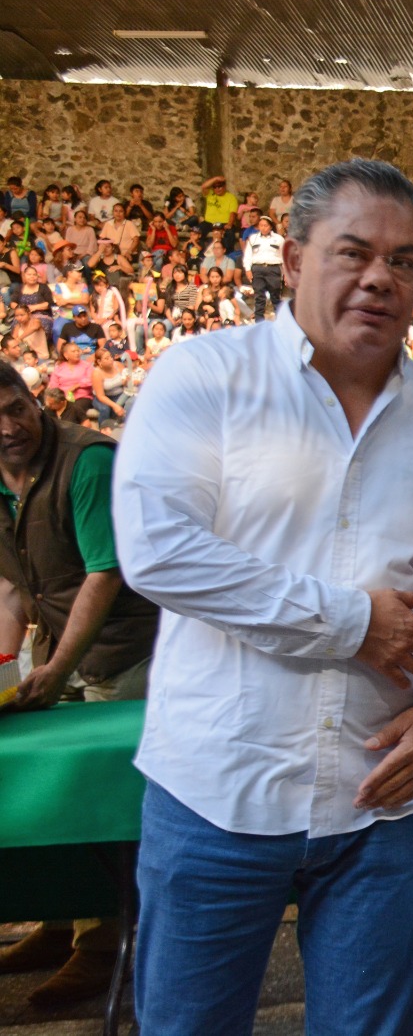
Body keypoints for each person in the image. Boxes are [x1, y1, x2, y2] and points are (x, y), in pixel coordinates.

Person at [112, 159, 413, 1034]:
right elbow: (159, 552)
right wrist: (352, 623)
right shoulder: (205, 378)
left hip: (380, 803)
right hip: (219, 790)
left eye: (404, 261)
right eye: (353, 252)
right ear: (292, 260)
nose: (379, 278)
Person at [0, 361, 160, 1007]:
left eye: (15, 407)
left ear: (34, 398)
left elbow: (104, 573)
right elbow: (11, 587)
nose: (9, 426)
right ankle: (58, 923)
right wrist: (7, 668)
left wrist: (58, 668)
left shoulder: (87, 462)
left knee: (101, 798)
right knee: (48, 794)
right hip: (58, 650)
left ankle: (101, 948)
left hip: (124, 652)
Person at [242, 215, 285, 320]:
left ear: (270, 226)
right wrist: (248, 269)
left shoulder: (278, 239)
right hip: (258, 269)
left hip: (273, 269)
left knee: (275, 296)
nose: (263, 228)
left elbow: (284, 256)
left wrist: (286, 273)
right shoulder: (253, 238)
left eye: (266, 225)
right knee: (259, 297)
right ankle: (259, 321)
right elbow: (248, 255)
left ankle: (281, 320)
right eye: (261, 225)